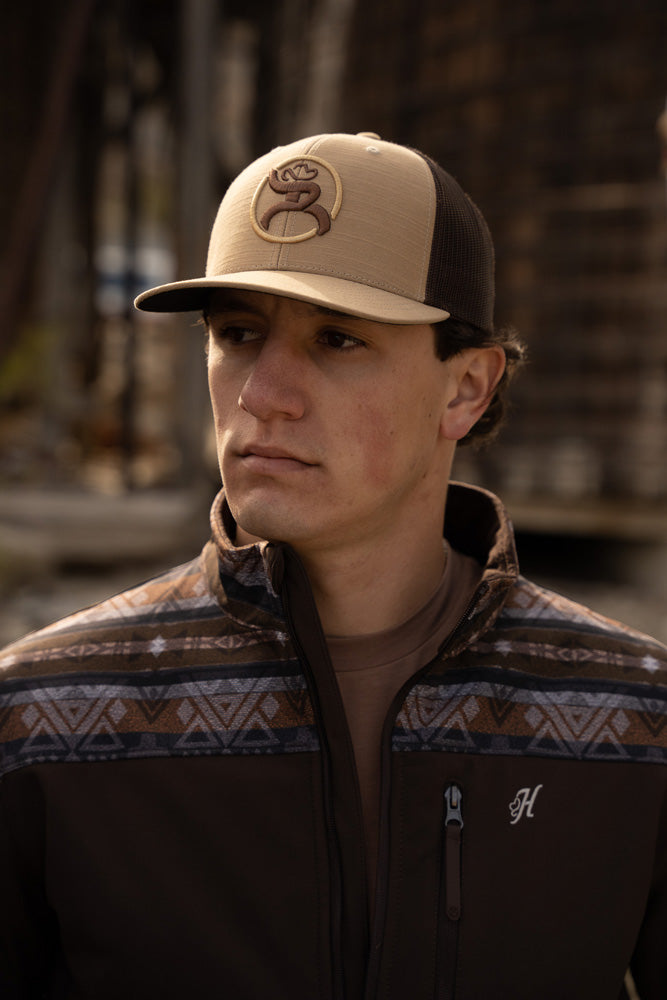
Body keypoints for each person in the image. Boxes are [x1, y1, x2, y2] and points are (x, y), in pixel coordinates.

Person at [1, 132, 665, 1000]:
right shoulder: (40, 717)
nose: (262, 394)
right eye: (236, 334)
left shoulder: (635, 719)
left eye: (337, 340)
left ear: (465, 388)